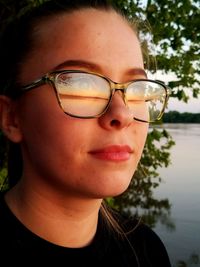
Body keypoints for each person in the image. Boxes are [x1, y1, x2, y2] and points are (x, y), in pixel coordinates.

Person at [0, 0, 171, 266]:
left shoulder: (145, 250)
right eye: (81, 85)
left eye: (137, 88)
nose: (122, 114)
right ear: (12, 118)